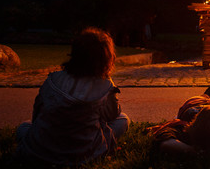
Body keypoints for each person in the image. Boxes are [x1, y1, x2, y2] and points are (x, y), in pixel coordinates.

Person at [16, 27, 130, 165]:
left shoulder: (53, 79)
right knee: (123, 120)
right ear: (107, 58)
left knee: (24, 126)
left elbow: (37, 115)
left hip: (41, 151)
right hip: (85, 153)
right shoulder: (105, 86)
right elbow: (113, 115)